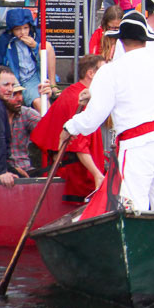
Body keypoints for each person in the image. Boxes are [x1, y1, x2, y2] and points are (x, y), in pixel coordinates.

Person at [61, 11, 154, 212]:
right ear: (145, 40)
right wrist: (94, 93)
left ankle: (135, 240)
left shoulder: (112, 70)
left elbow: (93, 118)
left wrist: (70, 127)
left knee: (132, 204)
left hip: (140, 143)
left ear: (119, 42)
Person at [30, 55, 105, 201]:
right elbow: (79, 145)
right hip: (76, 178)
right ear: (91, 74)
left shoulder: (72, 92)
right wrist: (97, 174)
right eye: (103, 72)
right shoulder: (79, 98)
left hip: (71, 171)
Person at [0, 8, 57, 112]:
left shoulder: (36, 34)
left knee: (47, 46)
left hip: (37, 73)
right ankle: (48, 123)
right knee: (39, 102)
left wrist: (35, 46)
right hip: (20, 79)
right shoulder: (5, 40)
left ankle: (53, 86)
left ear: (30, 27)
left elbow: (51, 54)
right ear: (12, 30)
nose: (22, 32)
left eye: (25, 28)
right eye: (18, 29)